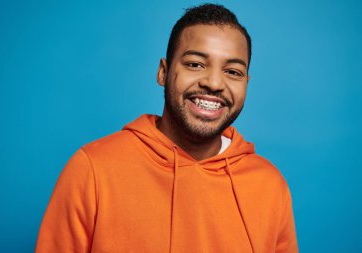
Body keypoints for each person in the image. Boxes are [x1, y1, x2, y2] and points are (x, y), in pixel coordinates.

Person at [36, 3, 298, 252]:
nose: (215, 83)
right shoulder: (92, 170)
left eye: (233, 71)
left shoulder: (270, 186)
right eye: (195, 64)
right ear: (163, 72)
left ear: (247, 83)